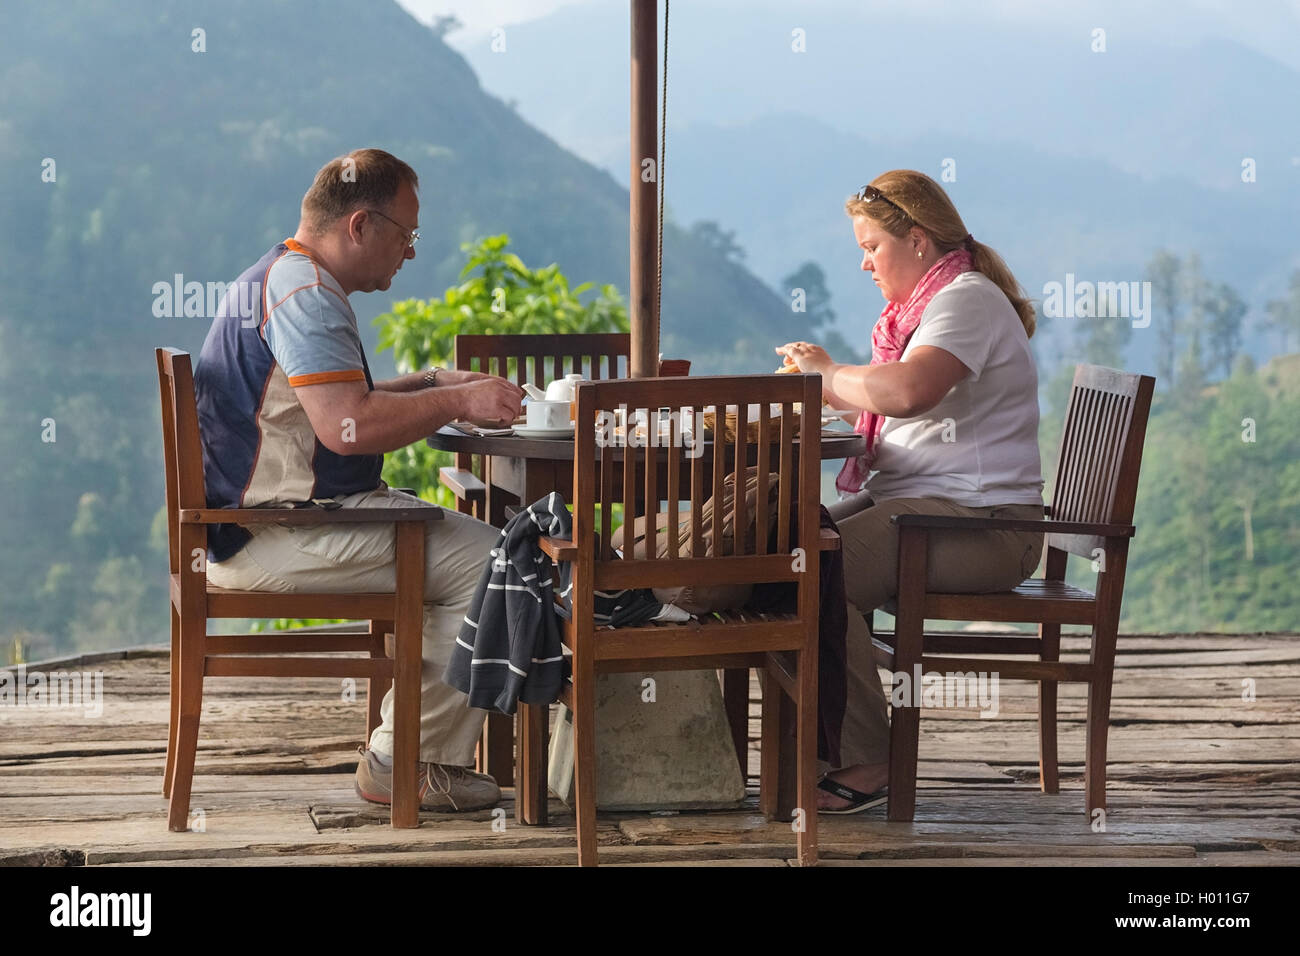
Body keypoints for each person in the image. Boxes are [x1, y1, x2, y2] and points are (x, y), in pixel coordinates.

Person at [193, 148, 525, 812]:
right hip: (270, 537)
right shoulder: (309, 297)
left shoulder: (281, 276)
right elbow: (350, 427)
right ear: (361, 225)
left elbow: (333, 402)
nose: (408, 253)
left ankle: (412, 745)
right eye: (406, 234)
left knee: (465, 548)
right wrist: (459, 403)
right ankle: (406, 761)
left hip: (256, 524)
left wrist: (430, 383)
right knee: (499, 559)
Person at [778, 169, 1045, 813]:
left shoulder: (966, 299)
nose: (865, 263)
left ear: (918, 240)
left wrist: (828, 373)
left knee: (813, 567)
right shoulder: (919, 310)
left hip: (985, 527)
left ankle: (871, 761)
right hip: (932, 512)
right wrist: (833, 385)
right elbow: (898, 405)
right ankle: (847, 719)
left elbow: (906, 392)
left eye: (872, 247)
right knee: (783, 554)